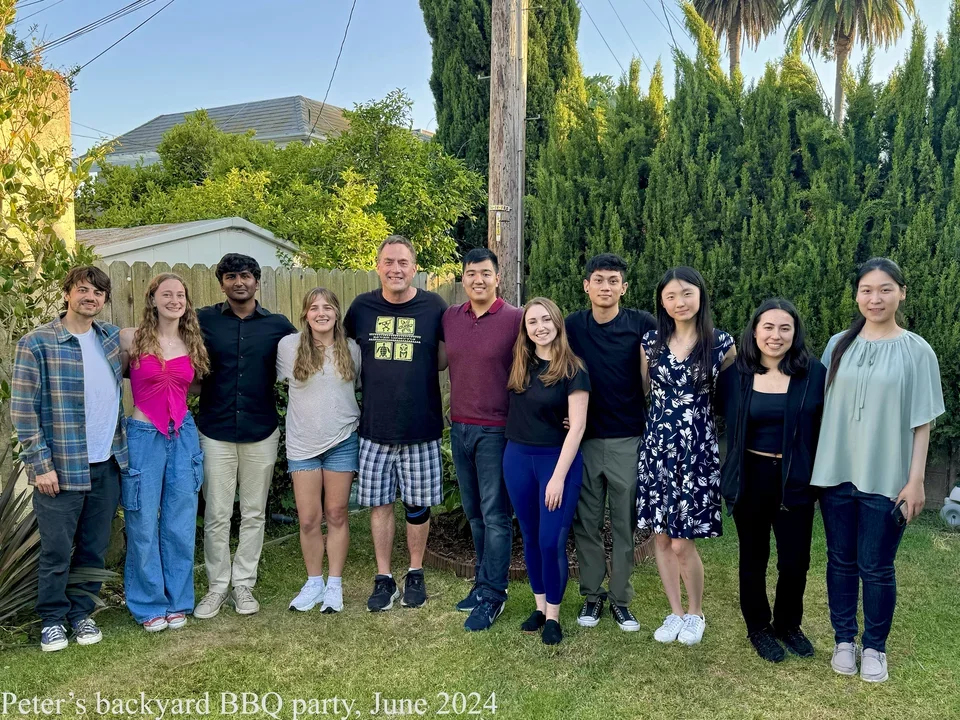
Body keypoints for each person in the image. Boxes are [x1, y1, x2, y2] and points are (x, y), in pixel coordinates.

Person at [811, 257, 944, 683]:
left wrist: (916, 480)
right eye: (867, 290)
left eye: (885, 289)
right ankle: (844, 640)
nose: (875, 298)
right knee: (840, 561)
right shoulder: (837, 345)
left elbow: (922, 422)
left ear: (901, 293)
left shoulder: (917, 350)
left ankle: (874, 647)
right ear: (856, 295)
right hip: (835, 475)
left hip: (888, 480)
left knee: (877, 566)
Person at [12, 266, 128, 651]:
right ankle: (52, 619)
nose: (90, 297)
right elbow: (23, 411)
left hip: (106, 464)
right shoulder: (37, 343)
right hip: (60, 469)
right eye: (82, 290)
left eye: (98, 293)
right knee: (57, 550)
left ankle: (81, 614)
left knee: (93, 548)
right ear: (67, 294)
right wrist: (40, 465)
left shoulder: (110, 338)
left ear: (105, 300)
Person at [716, 299, 825, 662]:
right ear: (754, 331)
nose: (775, 335)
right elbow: (707, 411)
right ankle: (758, 628)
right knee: (753, 557)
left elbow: (829, 423)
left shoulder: (814, 374)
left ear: (795, 333)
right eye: (768, 327)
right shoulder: (735, 376)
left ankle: (788, 625)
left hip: (795, 478)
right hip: (750, 477)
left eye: (784, 328)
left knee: (795, 560)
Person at [344, 235, 448, 611]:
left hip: (421, 427)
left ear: (415, 268)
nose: (396, 269)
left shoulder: (434, 306)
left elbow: (446, 358)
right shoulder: (361, 308)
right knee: (380, 505)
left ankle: (415, 572)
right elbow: (340, 356)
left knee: (418, 506)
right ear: (378, 267)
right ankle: (384, 577)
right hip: (375, 428)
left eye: (403, 262)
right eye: (389, 262)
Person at [193, 254, 296, 619]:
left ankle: (243, 584)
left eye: (246, 276)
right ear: (222, 283)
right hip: (215, 430)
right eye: (231, 276)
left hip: (261, 430)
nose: (239, 282)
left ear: (257, 281)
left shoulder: (278, 326)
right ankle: (217, 586)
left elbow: (308, 357)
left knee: (254, 512)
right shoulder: (203, 320)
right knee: (217, 514)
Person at [637, 266, 736, 647]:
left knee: (682, 542)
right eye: (671, 296)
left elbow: (733, 400)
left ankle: (696, 613)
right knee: (661, 538)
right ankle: (675, 612)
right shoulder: (650, 343)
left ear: (700, 296)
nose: (680, 302)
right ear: (662, 303)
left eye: (687, 293)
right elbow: (642, 392)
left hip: (696, 453)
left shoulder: (721, 344)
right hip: (657, 450)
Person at [566, 253, 655, 632]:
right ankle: (592, 594)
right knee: (586, 522)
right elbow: (553, 368)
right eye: (599, 280)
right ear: (586, 285)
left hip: (626, 439)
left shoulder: (642, 324)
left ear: (624, 287)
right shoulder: (572, 326)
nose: (606, 287)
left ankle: (620, 598)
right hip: (584, 440)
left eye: (613, 281)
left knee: (623, 523)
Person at [119, 273, 210, 632]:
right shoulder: (131, 338)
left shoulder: (192, 342)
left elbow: (196, 385)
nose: (174, 300)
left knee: (180, 521)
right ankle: (148, 604)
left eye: (180, 295)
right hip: (144, 435)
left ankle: (177, 600)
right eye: (167, 294)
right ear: (152, 299)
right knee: (142, 520)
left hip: (183, 435)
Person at [443, 248, 523, 631]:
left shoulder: (515, 319)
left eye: (486, 273)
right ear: (463, 279)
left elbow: (541, 362)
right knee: (474, 513)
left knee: (495, 516)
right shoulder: (450, 317)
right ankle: (481, 582)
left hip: (496, 430)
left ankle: (494, 594)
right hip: (459, 427)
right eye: (471, 273)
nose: (478, 279)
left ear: (497, 278)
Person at [504, 297, 590, 646]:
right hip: (517, 459)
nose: (540, 327)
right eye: (532, 322)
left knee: (550, 540)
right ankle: (539, 608)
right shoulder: (519, 364)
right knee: (529, 536)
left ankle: (553, 615)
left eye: (545, 320)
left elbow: (578, 426)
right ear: (525, 329)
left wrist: (557, 477)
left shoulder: (574, 369)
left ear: (557, 323)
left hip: (557, 462)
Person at [277, 287, 361, 614]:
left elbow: (358, 386)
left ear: (337, 313)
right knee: (309, 519)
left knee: (337, 514)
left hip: (342, 441)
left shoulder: (351, 350)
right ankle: (314, 583)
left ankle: (334, 585)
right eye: (314, 308)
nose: (321, 313)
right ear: (305, 314)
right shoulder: (289, 347)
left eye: (327, 307)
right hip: (303, 444)